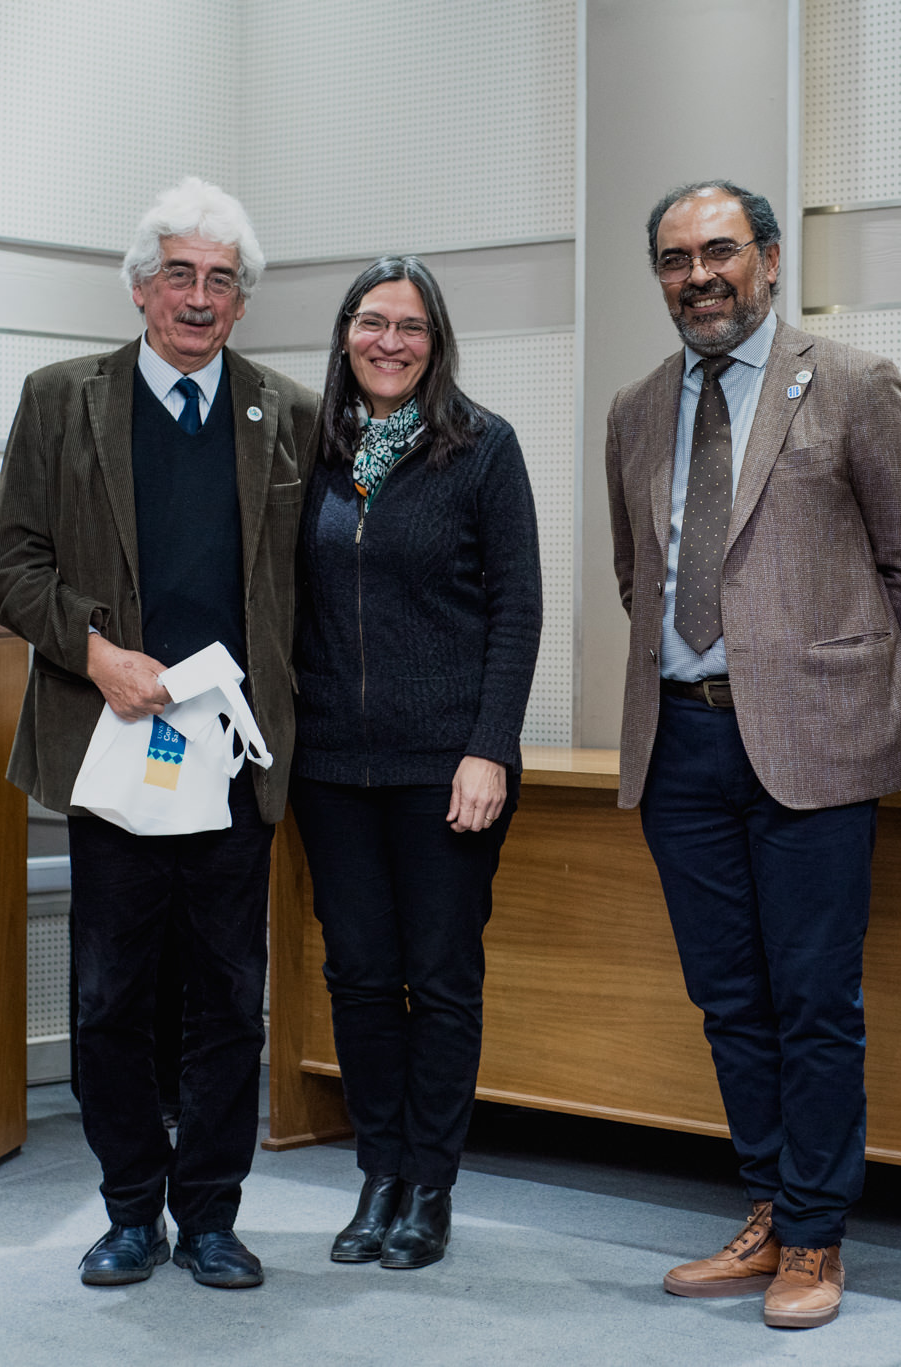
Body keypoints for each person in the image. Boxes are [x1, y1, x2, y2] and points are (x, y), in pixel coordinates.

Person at [605, 181, 901, 1330]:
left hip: (810, 747)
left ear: (764, 259)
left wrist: (834, 683)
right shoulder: (636, 406)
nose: (696, 274)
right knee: (727, 998)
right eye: (672, 258)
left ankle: (814, 1233)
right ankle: (767, 1203)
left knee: (812, 999)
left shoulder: (850, 383)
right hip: (677, 740)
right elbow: (636, 574)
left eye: (718, 251)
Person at [0, 177, 319, 1292]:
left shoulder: (290, 412)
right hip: (107, 742)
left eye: (221, 280)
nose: (199, 296)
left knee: (230, 995)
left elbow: (309, 581)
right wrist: (95, 652)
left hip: (232, 757)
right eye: (179, 272)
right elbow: (12, 564)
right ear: (139, 287)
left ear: (242, 303)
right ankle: (131, 1207)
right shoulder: (59, 398)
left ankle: (210, 1213)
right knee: (110, 995)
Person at [286, 256, 541, 1271]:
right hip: (332, 765)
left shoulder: (481, 449)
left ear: (436, 344)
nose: (388, 341)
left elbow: (516, 611)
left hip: (446, 765)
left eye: (410, 326)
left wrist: (489, 747)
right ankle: (378, 1170)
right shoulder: (310, 448)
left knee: (438, 978)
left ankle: (429, 1184)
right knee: (355, 975)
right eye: (370, 321)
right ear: (345, 333)